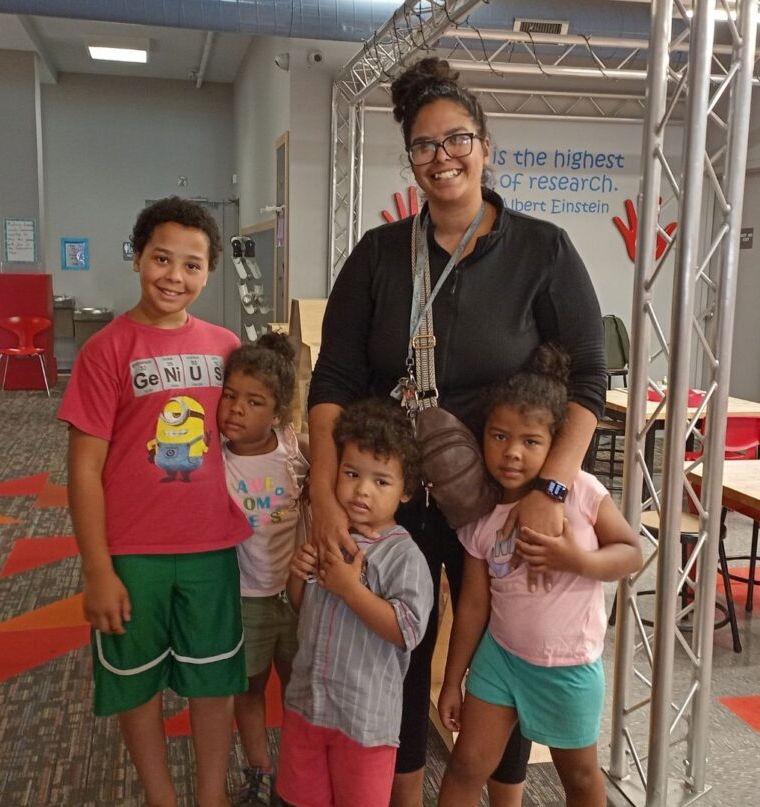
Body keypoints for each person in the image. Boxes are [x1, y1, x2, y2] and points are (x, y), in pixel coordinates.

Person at [307, 57, 607, 806]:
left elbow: (589, 382)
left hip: (502, 495)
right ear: (408, 157)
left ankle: (502, 793)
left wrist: (550, 486)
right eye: (423, 145)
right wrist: (322, 493)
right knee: (396, 653)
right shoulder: (378, 256)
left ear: (484, 144)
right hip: (391, 494)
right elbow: (332, 384)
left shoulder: (542, 250)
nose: (441, 157)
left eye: (456, 139)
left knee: (501, 644)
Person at [58, 197, 251, 807]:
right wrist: (97, 568)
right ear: (137, 257)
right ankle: (162, 797)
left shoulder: (226, 346)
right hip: (132, 553)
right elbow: (84, 468)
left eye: (192, 265)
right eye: (162, 258)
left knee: (213, 682)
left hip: (211, 548)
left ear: (209, 272)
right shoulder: (107, 350)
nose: (175, 275)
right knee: (135, 687)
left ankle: (212, 795)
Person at [437, 345, 642, 807]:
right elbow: (472, 605)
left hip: (567, 668)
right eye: (499, 436)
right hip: (501, 661)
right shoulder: (480, 514)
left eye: (530, 441)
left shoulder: (581, 493)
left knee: (583, 782)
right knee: (466, 766)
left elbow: (632, 554)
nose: (512, 453)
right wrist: (453, 681)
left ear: (554, 447)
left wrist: (578, 561)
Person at [277, 399, 434, 807]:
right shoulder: (328, 534)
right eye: (351, 474)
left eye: (382, 481)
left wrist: (352, 589)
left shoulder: (405, 557)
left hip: (364, 722)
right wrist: (298, 573)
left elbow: (407, 631)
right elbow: (301, 608)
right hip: (307, 705)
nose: (362, 489)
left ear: (406, 490)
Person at [218, 332, 310, 807]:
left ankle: (299, 771)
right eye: (230, 396)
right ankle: (259, 770)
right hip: (247, 598)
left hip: (297, 599)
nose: (235, 409)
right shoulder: (215, 458)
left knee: (299, 688)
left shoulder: (294, 451)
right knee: (250, 688)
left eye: (253, 402)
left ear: (275, 413)